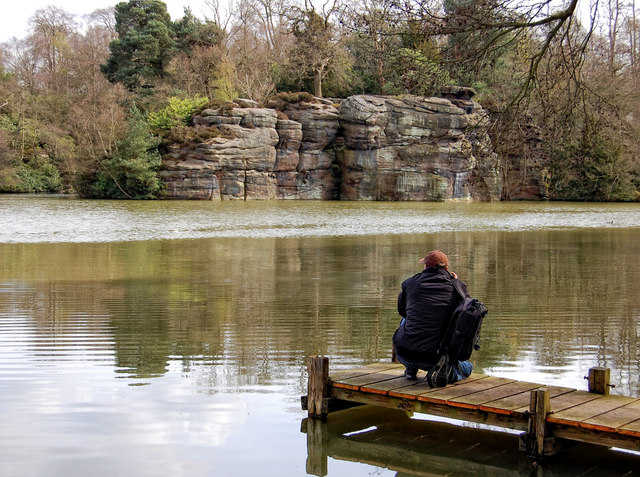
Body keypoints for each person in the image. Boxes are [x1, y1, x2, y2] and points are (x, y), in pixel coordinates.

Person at [392, 250, 473, 383]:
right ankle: (446, 370)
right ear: (447, 268)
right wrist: (456, 283)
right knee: (467, 368)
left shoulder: (410, 283)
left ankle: (411, 369)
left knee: (407, 318)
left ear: (425, 266)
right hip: (435, 358)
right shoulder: (457, 286)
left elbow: (402, 311)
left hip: (405, 354)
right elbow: (465, 314)